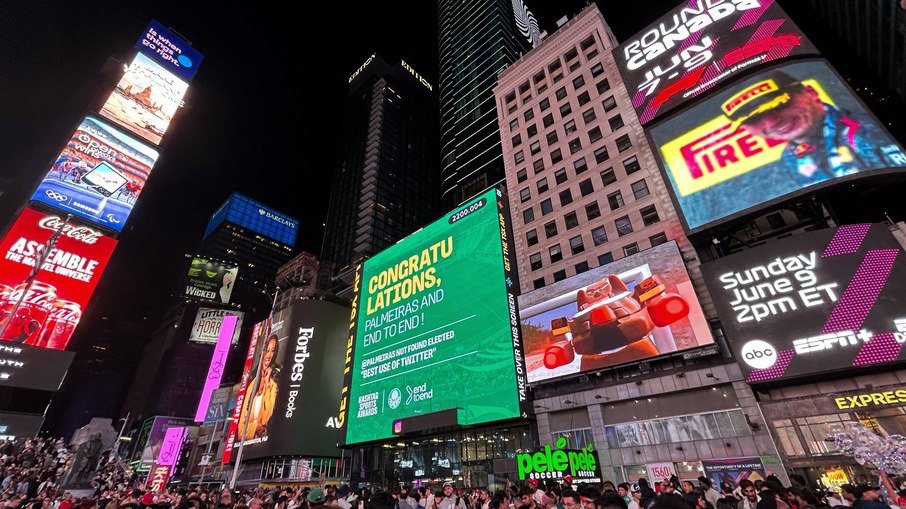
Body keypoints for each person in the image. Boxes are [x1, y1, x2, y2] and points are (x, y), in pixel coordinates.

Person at [725, 70, 906, 185]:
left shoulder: (865, 133)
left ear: (811, 92)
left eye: (780, 104)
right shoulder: (789, 157)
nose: (772, 123)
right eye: (754, 119)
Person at [240, 334, 280, 440]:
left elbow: (269, 415)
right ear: (261, 353)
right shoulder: (250, 384)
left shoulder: (273, 384)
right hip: (246, 445)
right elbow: (239, 430)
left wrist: (268, 384)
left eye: (272, 350)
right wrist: (256, 427)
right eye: (267, 350)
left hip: (263, 444)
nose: (269, 355)